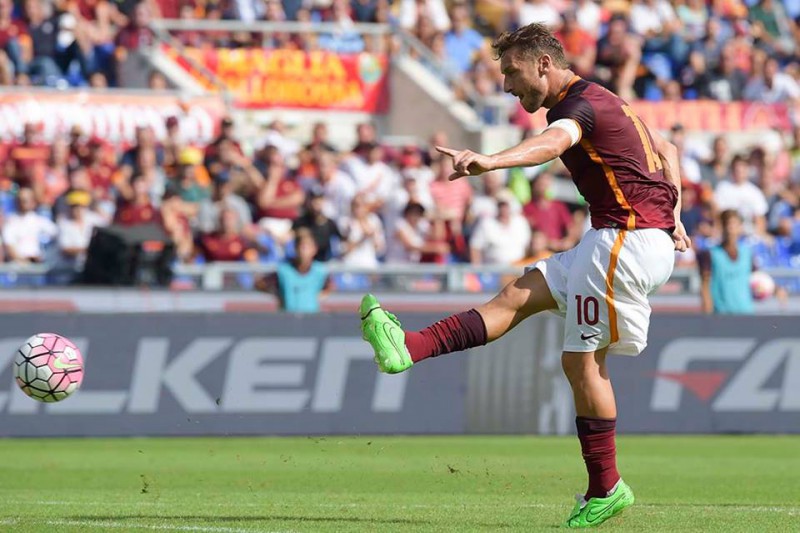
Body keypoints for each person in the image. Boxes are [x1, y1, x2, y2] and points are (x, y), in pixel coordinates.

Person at [359, 23, 690, 529]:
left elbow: (554, 143)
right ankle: (410, 347)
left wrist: (491, 161)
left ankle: (606, 488)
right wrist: (674, 217)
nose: (507, 85)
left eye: (512, 72)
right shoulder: (603, 99)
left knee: (582, 362)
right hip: (625, 238)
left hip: (624, 241)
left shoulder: (576, 108)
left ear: (543, 64)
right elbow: (667, 150)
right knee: (515, 297)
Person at [698, 210, 753, 314]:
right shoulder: (710, 254)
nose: (730, 228)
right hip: (721, 314)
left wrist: (776, 289)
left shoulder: (747, 253)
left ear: (740, 227)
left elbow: (758, 278)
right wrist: (707, 312)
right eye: (727, 224)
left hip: (746, 312)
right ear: (722, 227)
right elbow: (705, 285)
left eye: (734, 224)